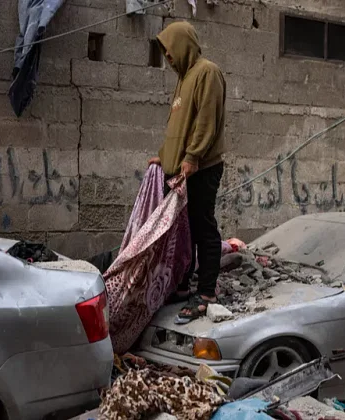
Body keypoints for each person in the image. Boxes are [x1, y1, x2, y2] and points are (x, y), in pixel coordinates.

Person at [147, 21, 226, 323]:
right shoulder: (183, 79)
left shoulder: (207, 72)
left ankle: (206, 293)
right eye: (164, 52)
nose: (167, 57)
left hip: (202, 167)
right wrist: (165, 157)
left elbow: (206, 121)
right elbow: (178, 130)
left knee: (202, 226)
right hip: (182, 168)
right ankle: (182, 286)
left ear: (183, 44)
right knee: (183, 231)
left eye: (169, 50)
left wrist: (192, 157)